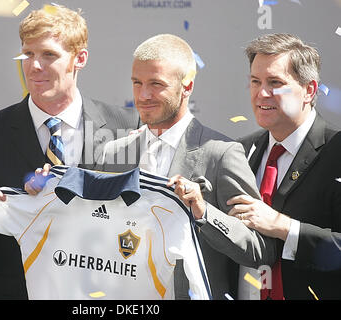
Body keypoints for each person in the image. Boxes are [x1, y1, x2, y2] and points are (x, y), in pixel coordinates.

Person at [0, 5, 139, 299]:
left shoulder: (125, 125)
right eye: (28, 54)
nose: (34, 66)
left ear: (79, 58)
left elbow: (137, 217)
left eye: (48, 55)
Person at [95, 34, 277, 299]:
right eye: (137, 83)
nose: (143, 95)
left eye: (156, 84)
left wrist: (204, 213)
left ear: (187, 86)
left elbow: (260, 249)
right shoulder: (113, 153)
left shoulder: (221, 153)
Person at [227, 33, 341, 300]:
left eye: (275, 82)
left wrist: (284, 228)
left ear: (309, 90)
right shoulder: (237, 152)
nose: (261, 93)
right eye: (255, 81)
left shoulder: (337, 150)